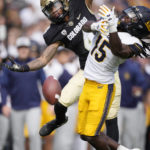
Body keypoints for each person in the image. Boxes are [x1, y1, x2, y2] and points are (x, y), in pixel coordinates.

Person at [2, 0, 121, 142]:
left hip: (108, 69)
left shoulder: (79, 4)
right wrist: (24, 67)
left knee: (111, 117)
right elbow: (43, 59)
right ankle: (59, 120)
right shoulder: (55, 32)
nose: (54, 11)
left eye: (55, 6)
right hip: (87, 70)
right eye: (49, 10)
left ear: (64, 2)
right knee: (61, 102)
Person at [76, 4, 150, 150]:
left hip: (102, 86)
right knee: (84, 134)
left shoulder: (136, 43)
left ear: (138, 27)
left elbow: (118, 50)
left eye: (131, 19)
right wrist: (96, 25)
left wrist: (111, 27)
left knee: (91, 134)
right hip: (88, 82)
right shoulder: (113, 23)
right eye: (128, 15)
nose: (125, 17)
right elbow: (84, 26)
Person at [3, 36, 46, 150]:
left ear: (29, 49)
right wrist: (4, 104)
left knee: (34, 134)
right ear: (17, 49)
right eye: (21, 47)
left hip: (33, 105)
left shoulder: (35, 63)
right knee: (17, 138)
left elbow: (44, 82)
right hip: (16, 106)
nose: (23, 50)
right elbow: (4, 86)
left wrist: (50, 101)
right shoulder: (10, 66)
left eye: (25, 47)